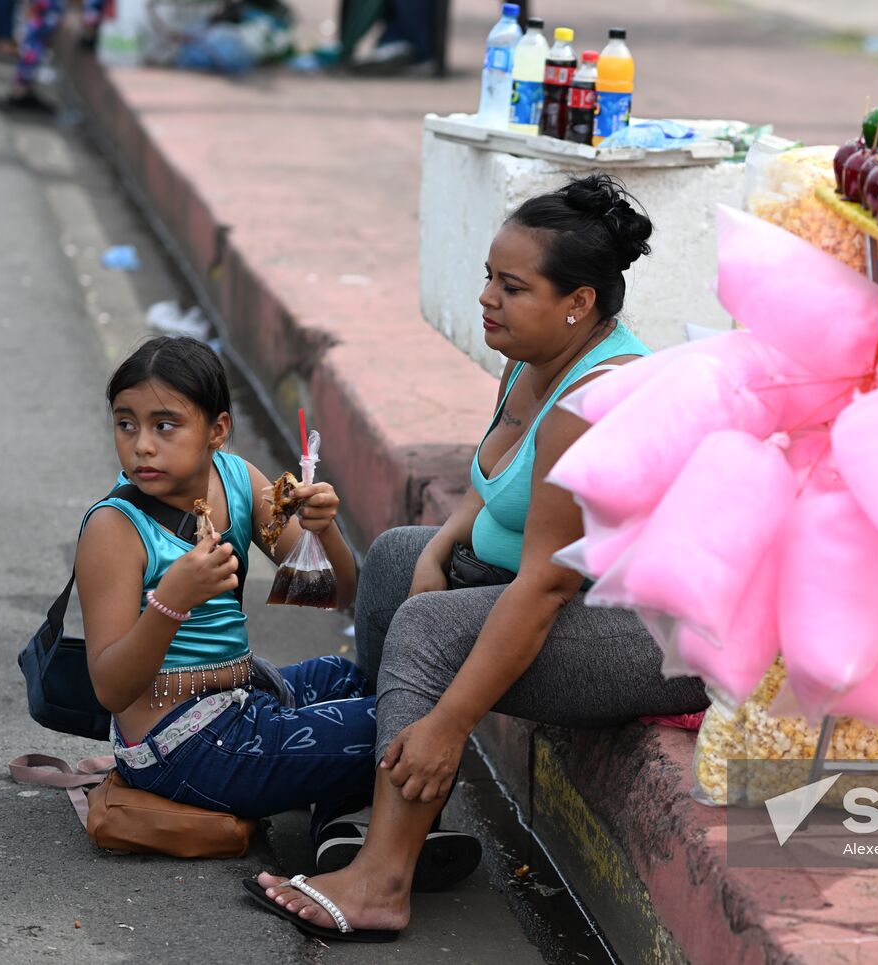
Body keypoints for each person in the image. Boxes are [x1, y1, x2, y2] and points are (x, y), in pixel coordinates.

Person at [246, 175, 708, 943]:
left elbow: (544, 585)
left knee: (429, 627)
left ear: (579, 302)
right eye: (489, 277)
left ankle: (383, 878)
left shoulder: (592, 402)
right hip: (572, 592)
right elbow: (498, 480)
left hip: (658, 636)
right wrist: (442, 540)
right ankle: (372, 790)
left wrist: (446, 725)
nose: (489, 297)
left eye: (513, 285)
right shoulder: (531, 359)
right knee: (397, 559)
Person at [77, 337, 384, 854]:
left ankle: (340, 825)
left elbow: (333, 594)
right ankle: (355, 819)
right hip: (180, 742)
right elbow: (110, 689)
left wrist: (323, 530)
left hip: (241, 700)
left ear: (217, 430)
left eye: (164, 425)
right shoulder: (114, 528)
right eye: (125, 424)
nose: (142, 445)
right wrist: (171, 601)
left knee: (358, 679)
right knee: (403, 719)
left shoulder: (239, 480)